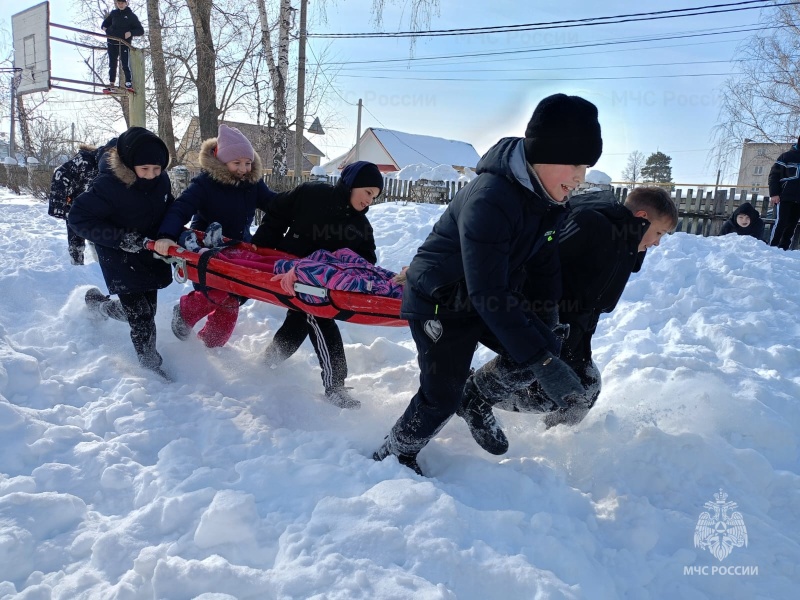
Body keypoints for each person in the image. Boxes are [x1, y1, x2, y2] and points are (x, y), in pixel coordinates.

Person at [372, 93, 603, 475]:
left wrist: (549, 323)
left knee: (541, 341)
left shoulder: (545, 199)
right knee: (440, 397)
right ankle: (393, 455)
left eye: (587, 166)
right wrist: (543, 361)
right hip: (440, 302)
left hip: (485, 299)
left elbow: (545, 265)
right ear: (546, 154)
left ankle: (475, 399)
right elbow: (488, 291)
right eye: (576, 163)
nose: (581, 177)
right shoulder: (492, 197)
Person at [458, 187, 678, 456]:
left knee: (583, 392)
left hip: (575, 331)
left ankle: (542, 440)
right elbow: (537, 255)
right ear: (642, 217)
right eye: (659, 233)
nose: (657, 243)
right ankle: (472, 394)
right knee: (555, 383)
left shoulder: (627, 242)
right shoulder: (592, 224)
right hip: (539, 321)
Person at [251, 161, 383, 410]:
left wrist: (342, 267)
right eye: (368, 192)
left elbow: (366, 261)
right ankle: (335, 387)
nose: (369, 201)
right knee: (317, 318)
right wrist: (264, 245)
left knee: (299, 321)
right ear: (353, 183)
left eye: (374, 197)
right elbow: (278, 210)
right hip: (289, 271)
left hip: (321, 284)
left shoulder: (360, 226)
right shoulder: (311, 194)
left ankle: (267, 363)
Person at [153, 124, 277, 347]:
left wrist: (299, 207)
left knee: (232, 300)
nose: (243, 169)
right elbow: (181, 208)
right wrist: (166, 235)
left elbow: (275, 204)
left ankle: (211, 345)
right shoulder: (205, 184)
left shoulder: (252, 184)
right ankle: (184, 311)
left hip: (238, 250)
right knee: (218, 292)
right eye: (236, 163)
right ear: (221, 160)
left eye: (248, 163)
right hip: (205, 251)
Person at [68, 127, 174, 379]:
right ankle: (151, 365)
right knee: (141, 315)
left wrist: (172, 234)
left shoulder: (162, 180)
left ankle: (100, 306)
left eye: (157, 169)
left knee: (147, 310)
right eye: (145, 169)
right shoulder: (108, 185)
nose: (151, 175)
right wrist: (120, 238)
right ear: (129, 163)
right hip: (120, 255)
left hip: (150, 252)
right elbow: (78, 218)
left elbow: (169, 208)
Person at [48, 138, 117, 265]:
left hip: (96, 208)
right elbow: (60, 173)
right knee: (76, 235)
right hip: (74, 204)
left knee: (97, 234)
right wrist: (57, 205)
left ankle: (98, 264)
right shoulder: (84, 160)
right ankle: (77, 265)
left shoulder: (114, 168)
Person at [101, 0, 144, 90]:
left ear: (126, 3)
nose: (120, 5)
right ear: (116, 4)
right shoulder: (114, 13)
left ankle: (128, 83)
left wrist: (131, 32)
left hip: (124, 43)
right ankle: (111, 84)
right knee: (112, 63)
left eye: (122, 3)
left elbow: (140, 30)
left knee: (125, 63)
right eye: (118, 3)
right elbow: (105, 24)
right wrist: (106, 30)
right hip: (112, 42)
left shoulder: (131, 16)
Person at [768, 137, 800, 250]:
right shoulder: (786, 156)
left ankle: (784, 249)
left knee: (792, 225)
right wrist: (774, 193)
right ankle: (772, 248)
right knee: (781, 222)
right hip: (784, 196)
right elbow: (774, 175)